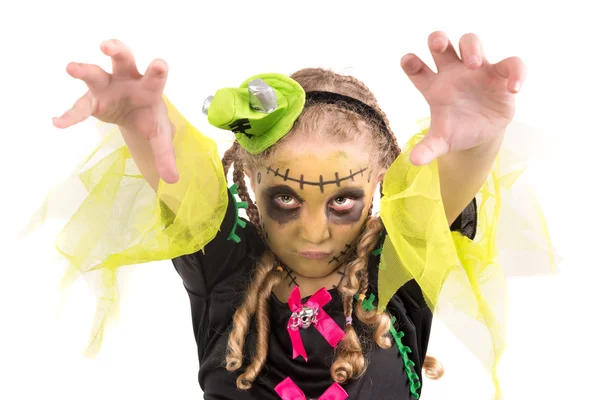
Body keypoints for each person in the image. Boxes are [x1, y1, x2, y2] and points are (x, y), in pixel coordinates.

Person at [37, 31, 552, 399]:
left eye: (342, 201)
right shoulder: (226, 267)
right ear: (251, 181)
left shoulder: (399, 271)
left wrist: (479, 143)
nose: (313, 230)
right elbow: (189, 193)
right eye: (285, 199)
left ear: (380, 182)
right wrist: (139, 123)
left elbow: (434, 205)